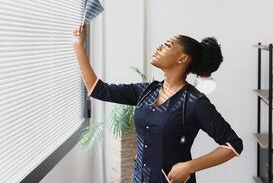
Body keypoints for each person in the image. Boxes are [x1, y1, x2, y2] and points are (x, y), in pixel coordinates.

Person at [72, 24, 243, 183]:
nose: (159, 47)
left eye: (167, 45)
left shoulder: (195, 102)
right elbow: (98, 90)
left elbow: (233, 145)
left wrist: (188, 167)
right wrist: (79, 46)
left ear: (182, 58)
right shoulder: (146, 91)